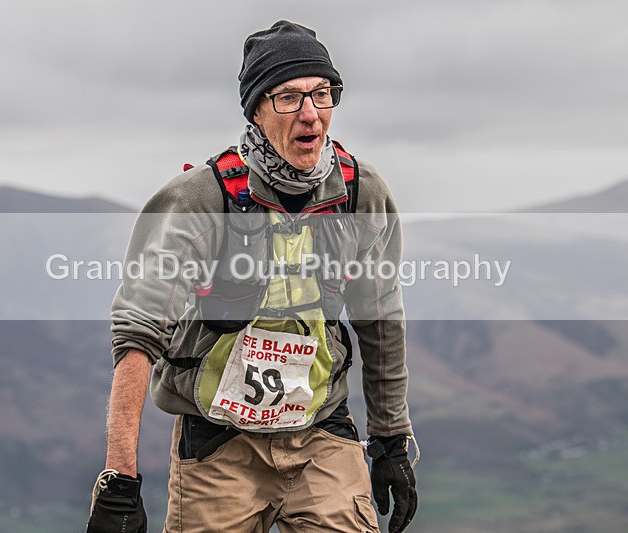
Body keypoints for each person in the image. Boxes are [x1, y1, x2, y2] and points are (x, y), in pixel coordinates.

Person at [86, 20, 418, 533]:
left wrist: (391, 439)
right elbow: (138, 330)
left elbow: (381, 319)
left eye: (322, 94)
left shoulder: (360, 193)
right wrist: (119, 479)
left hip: (321, 433)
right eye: (288, 97)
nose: (311, 114)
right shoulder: (200, 199)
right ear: (257, 110)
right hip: (219, 445)